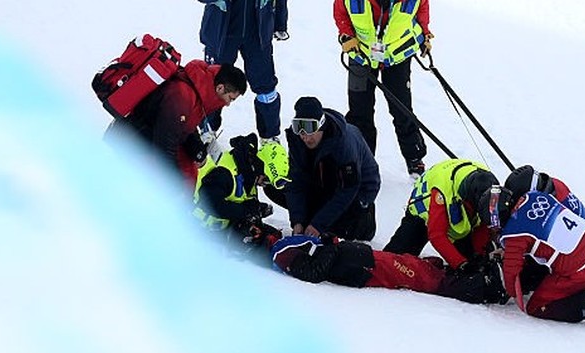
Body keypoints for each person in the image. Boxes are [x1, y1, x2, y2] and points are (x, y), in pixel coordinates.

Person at [485, 165, 585, 327]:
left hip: (583, 269)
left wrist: (507, 292)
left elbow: (511, 272)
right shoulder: (536, 196)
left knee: (536, 306)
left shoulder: (514, 234)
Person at [105, 61, 247, 190]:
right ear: (220, 88)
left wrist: (196, 147)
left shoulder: (198, 91)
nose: (228, 104)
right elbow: (164, 144)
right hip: (129, 145)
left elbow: (182, 126)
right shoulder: (182, 96)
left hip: (144, 139)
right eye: (230, 99)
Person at [334, 0, 431, 177]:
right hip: (361, 55)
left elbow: (421, 8)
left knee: (402, 109)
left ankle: (414, 157)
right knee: (359, 111)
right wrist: (346, 35)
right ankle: (361, 158)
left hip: (397, 55)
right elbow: (341, 12)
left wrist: (424, 33)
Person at [269, 235, 508, 305]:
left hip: (369, 260)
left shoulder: (302, 254)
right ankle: (487, 285)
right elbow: (316, 273)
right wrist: (331, 244)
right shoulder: (292, 259)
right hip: (369, 267)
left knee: (421, 266)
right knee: (424, 278)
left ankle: (478, 272)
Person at [284, 96, 380, 241]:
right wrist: (298, 221)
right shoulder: (297, 140)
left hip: (357, 189)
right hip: (323, 182)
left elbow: (349, 188)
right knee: (277, 188)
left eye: (311, 128)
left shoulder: (343, 143)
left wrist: (318, 224)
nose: (306, 137)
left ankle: (364, 220)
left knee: (338, 232)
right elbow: (295, 182)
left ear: (321, 125)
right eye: (299, 128)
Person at [384, 158, 499, 271]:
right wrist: (460, 264)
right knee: (393, 262)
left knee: (474, 261)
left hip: (461, 218)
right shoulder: (442, 192)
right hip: (422, 214)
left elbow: (483, 224)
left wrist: (478, 254)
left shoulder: (489, 186)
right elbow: (437, 235)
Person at [198, 0, 289, 142]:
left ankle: (269, 137)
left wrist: (279, 22)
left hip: (257, 32)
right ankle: (207, 129)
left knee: (265, 85)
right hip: (222, 30)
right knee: (214, 81)